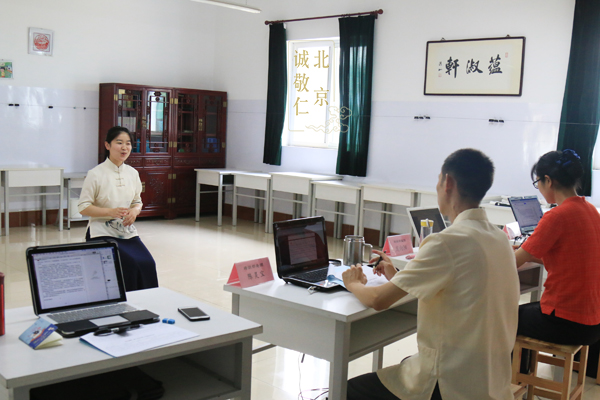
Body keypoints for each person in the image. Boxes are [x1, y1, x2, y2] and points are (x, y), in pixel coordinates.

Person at [343, 149, 520, 400]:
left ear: (448, 183)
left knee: (347, 390)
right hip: (490, 378)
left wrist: (353, 284)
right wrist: (397, 276)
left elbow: (377, 300)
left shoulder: (447, 241)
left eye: (438, 180)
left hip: (451, 382)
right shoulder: (498, 238)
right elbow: (457, 291)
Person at [514, 149, 600, 371]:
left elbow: (512, 263)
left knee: (507, 317)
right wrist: (528, 252)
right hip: (592, 320)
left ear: (548, 181)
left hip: (566, 322)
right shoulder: (591, 211)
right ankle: (523, 376)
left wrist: (505, 252)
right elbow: (570, 258)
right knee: (524, 312)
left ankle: (515, 380)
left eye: (538, 183)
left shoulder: (556, 216)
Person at [78, 126, 159, 291]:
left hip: (126, 232)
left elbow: (137, 201)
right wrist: (110, 212)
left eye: (128, 143)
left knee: (147, 263)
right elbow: (83, 207)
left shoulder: (133, 173)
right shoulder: (95, 174)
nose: (124, 148)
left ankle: (146, 301)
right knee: (129, 265)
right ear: (107, 145)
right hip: (101, 232)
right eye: (119, 142)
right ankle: (127, 301)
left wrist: (135, 211)